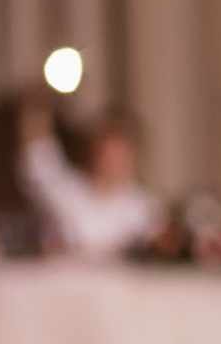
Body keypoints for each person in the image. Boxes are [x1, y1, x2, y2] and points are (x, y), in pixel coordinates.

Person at [19, 101, 161, 260]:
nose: (111, 162)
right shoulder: (67, 191)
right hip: (64, 279)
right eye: (106, 153)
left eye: (118, 155)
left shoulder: (145, 209)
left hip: (121, 283)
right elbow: (38, 158)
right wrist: (37, 108)